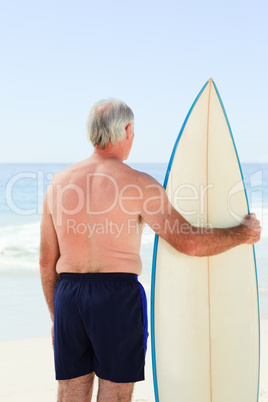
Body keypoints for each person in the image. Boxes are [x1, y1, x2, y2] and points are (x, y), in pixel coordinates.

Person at [40, 99, 261, 402]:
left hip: (68, 295)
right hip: (116, 297)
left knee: (70, 391)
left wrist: (57, 317)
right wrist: (242, 233)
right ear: (128, 130)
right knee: (115, 393)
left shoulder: (58, 185)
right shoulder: (139, 184)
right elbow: (189, 242)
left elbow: (45, 262)